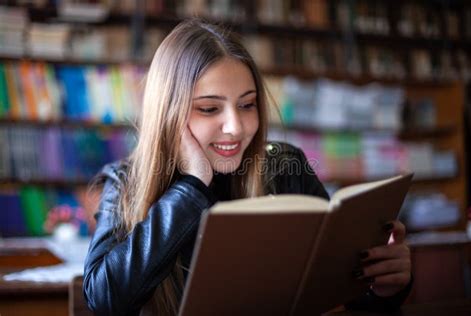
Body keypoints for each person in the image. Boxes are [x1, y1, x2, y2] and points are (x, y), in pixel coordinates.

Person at [83, 18, 412, 316]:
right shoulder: (126, 182)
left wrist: (385, 290)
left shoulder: (285, 167)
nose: (236, 127)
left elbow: (345, 296)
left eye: (247, 105)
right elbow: (104, 301)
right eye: (210, 109)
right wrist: (192, 186)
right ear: (169, 114)